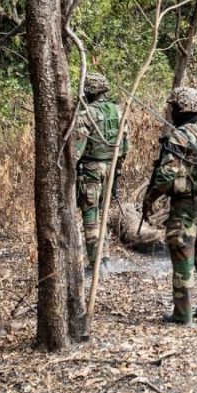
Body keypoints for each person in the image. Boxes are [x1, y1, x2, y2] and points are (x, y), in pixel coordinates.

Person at [142, 87, 197, 325]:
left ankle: (183, 314)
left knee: (182, 254)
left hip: (187, 205)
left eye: (173, 106)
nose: (171, 111)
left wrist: (150, 198)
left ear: (181, 108)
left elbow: (165, 178)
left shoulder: (180, 135)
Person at [73, 73, 128, 275]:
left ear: (88, 92)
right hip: (111, 168)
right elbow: (124, 145)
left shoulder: (86, 114)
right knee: (102, 214)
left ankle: (95, 263)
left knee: (91, 215)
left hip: (91, 170)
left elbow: (77, 151)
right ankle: (105, 259)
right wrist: (118, 169)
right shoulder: (118, 111)